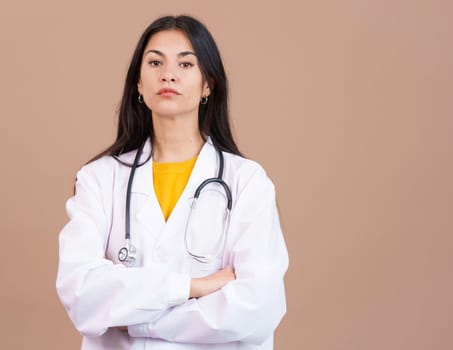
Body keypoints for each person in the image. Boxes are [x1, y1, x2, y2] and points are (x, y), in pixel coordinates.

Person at [56, 15, 288, 349]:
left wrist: (137, 319)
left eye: (186, 64)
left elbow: (257, 308)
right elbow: (81, 294)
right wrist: (191, 287)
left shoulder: (247, 182)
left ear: (208, 84)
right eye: (155, 62)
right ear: (138, 82)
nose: (169, 74)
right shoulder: (99, 179)